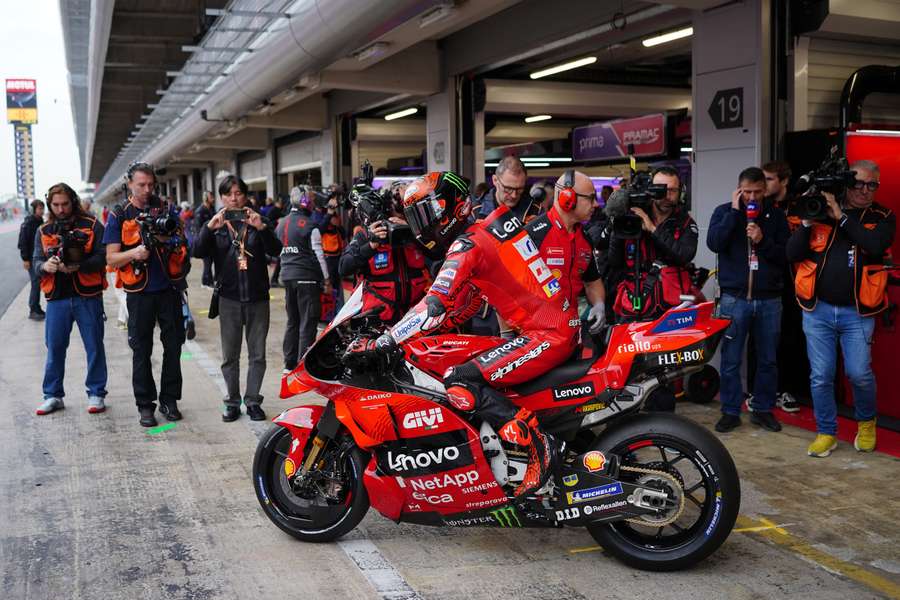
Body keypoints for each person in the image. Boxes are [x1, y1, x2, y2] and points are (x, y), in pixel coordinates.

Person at [347, 171, 580, 497]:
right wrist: (419, 332)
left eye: (427, 215)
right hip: (550, 327)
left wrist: (385, 341)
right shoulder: (485, 229)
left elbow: (433, 305)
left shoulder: (467, 244)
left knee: (460, 379)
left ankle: (540, 449)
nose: (422, 225)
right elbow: (465, 304)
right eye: (418, 218)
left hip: (546, 335)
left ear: (449, 210)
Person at [786, 159, 895, 457]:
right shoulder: (819, 211)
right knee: (820, 375)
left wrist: (842, 217)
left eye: (872, 185)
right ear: (847, 183)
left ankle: (866, 423)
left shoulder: (882, 215)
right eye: (859, 183)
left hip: (857, 313)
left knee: (859, 373)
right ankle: (826, 432)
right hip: (817, 309)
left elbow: (874, 245)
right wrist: (808, 222)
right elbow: (791, 253)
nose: (865, 190)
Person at [104, 162, 191, 427]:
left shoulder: (165, 208)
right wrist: (135, 253)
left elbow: (183, 241)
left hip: (169, 288)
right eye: (141, 185)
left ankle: (170, 399)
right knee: (141, 350)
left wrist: (168, 240)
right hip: (139, 292)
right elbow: (111, 257)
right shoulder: (119, 213)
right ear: (129, 184)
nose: (147, 189)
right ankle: (145, 405)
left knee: (174, 346)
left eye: (151, 185)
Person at [707, 167, 790, 434]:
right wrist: (733, 213)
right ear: (738, 189)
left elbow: (786, 255)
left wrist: (762, 240)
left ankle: (763, 409)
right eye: (746, 192)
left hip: (769, 299)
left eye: (756, 192)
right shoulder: (724, 211)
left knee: (768, 359)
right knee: (730, 359)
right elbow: (714, 243)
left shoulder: (775, 216)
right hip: (735, 297)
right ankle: (730, 411)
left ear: (764, 191)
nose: (751, 197)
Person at [194, 175, 281, 422]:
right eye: (228, 194)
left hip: (258, 298)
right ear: (221, 198)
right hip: (229, 299)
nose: (234, 198)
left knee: (258, 355)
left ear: (245, 195)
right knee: (229, 356)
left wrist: (261, 229)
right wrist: (208, 228)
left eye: (238, 193)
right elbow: (197, 251)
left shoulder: (257, 221)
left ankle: (253, 401)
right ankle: (232, 402)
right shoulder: (218, 226)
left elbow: (276, 251)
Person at [33, 184, 108, 415]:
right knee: (54, 347)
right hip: (57, 298)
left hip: (88, 296)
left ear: (73, 201)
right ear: (49, 205)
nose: (61, 209)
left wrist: (79, 266)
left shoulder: (93, 225)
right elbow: (36, 263)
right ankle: (53, 395)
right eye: (55, 205)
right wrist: (46, 266)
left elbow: (104, 257)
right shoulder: (43, 231)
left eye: (65, 204)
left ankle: (96, 393)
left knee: (94, 346)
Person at [600, 166, 699, 322]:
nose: (667, 196)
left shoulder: (685, 222)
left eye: (673, 190)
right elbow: (615, 261)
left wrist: (653, 229)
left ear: (681, 192)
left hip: (671, 306)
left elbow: (684, 255)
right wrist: (619, 223)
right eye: (660, 189)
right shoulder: (633, 215)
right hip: (633, 304)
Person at [526, 170, 606, 336]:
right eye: (590, 198)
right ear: (567, 197)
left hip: (570, 334)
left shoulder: (584, 239)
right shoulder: (533, 234)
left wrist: (599, 305)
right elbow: (506, 286)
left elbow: (592, 282)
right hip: (534, 336)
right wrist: (507, 335)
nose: (596, 204)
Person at [339, 184, 430, 325]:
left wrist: (412, 234)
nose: (403, 218)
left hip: (415, 317)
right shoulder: (366, 234)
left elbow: (438, 255)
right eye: (401, 213)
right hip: (379, 319)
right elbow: (344, 267)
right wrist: (371, 245)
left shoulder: (419, 232)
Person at [277, 187, 332, 373]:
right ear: (305, 201)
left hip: (287, 277)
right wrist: (326, 279)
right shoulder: (310, 225)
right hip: (306, 277)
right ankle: (304, 365)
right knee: (308, 322)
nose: (314, 202)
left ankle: (289, 363)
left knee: (293, 320)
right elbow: (319, 255)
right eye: (312, 198)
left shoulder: (280, 223)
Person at [474, 156, 542, 223]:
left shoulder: (536, 210)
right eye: (508, 189)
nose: (514, 195)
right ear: (495, 180)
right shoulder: (475, 211)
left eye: (519, 189)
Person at [18, 199, 45, 320]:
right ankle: (33, 309)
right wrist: (25, 259)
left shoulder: (40, 221)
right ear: (34, 210)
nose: (42, 211)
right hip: (30, 258)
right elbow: (22, 242)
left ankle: (36, 307)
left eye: (42, 208)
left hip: (38, 257)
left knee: (38, 282)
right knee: (35, 282)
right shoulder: (28, 223)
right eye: (39, 208)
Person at [194, 191, 217, 288]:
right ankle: (207, 282)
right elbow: (198, 228)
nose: (213, 199)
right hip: (204, 239)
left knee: (211, 261)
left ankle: (207, 281)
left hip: (213, 238)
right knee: (207, 262)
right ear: (206, 198)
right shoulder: (200, 210)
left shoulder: (212, 209)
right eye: (211, 197)